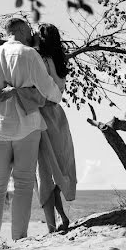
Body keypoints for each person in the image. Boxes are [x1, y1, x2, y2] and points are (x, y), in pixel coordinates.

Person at [0, 16, 62, 247]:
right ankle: (19, 239)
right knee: (23, 184)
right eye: (29, 30)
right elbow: (50, 92)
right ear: (23, 30)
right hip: (27, 126)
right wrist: (55, 92)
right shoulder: (29, 54)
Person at [26, 23, 77, 232]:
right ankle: (61, 217)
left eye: (37, 34)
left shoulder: (39, 60)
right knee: (58, 167)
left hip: (44, 114)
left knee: (45, 170)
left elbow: (38, 90)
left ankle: (53, 224)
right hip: (58, 115)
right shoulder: (59, 60)